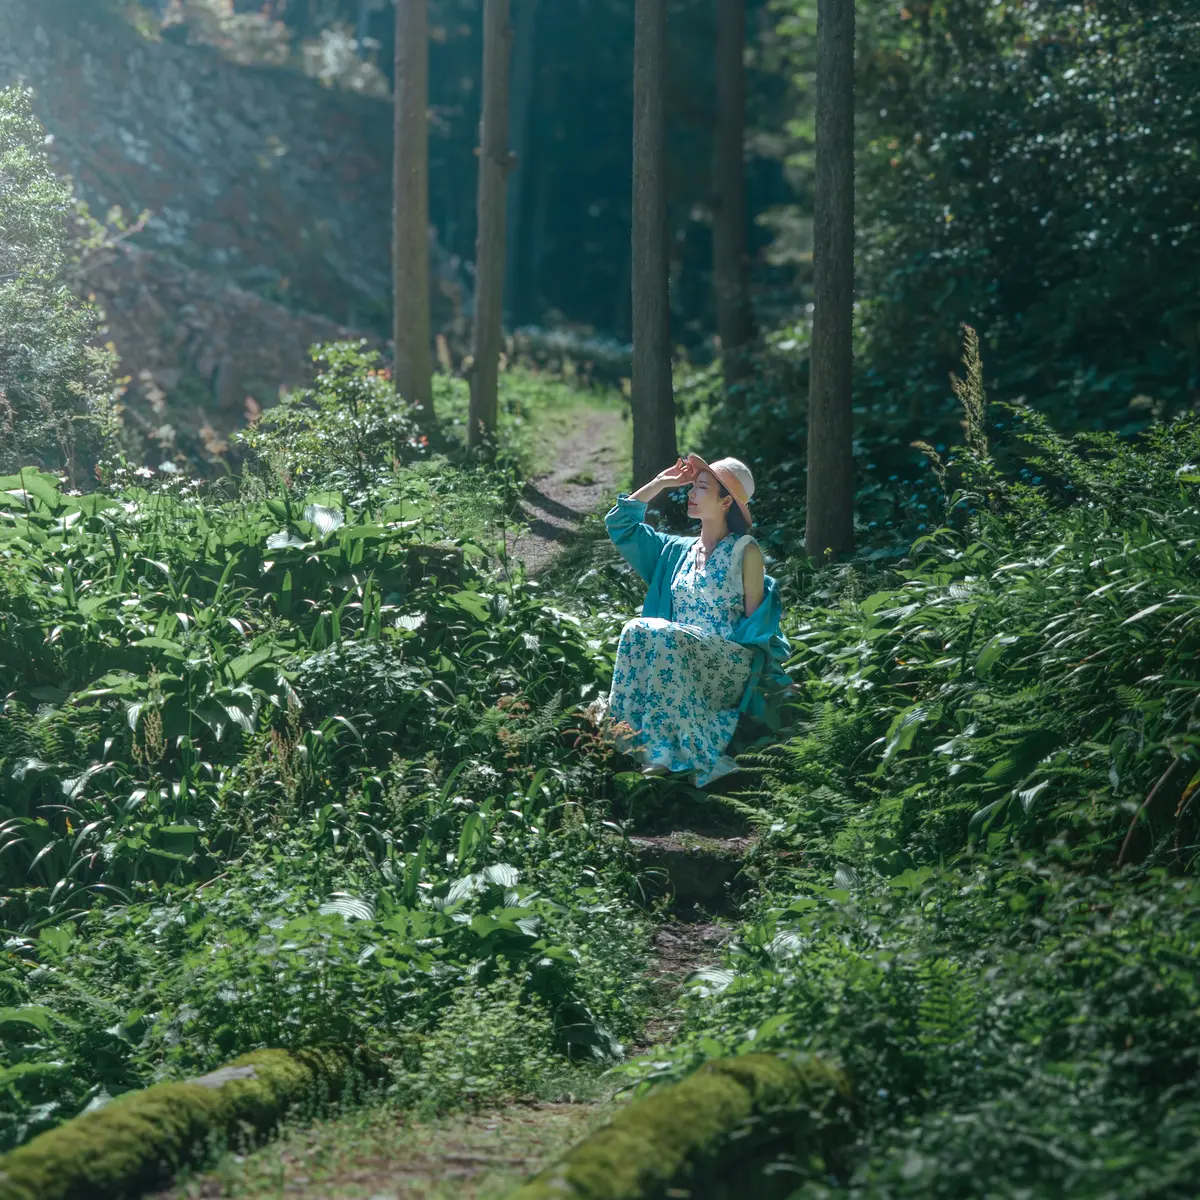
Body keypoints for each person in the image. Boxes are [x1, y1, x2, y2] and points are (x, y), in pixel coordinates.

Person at [602, 454, 789, 786]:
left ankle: (666, 756)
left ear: (726, 502)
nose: (690, 492)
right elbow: (620, 525)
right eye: (693, 486)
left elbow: (757, 628)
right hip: (674, 655)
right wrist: (660, 482)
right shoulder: (675, 551)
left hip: (727, 667)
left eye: (702, 487)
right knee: (635, 628)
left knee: (663, 633)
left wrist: (775, 683)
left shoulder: (745, 550)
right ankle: (626, 741)